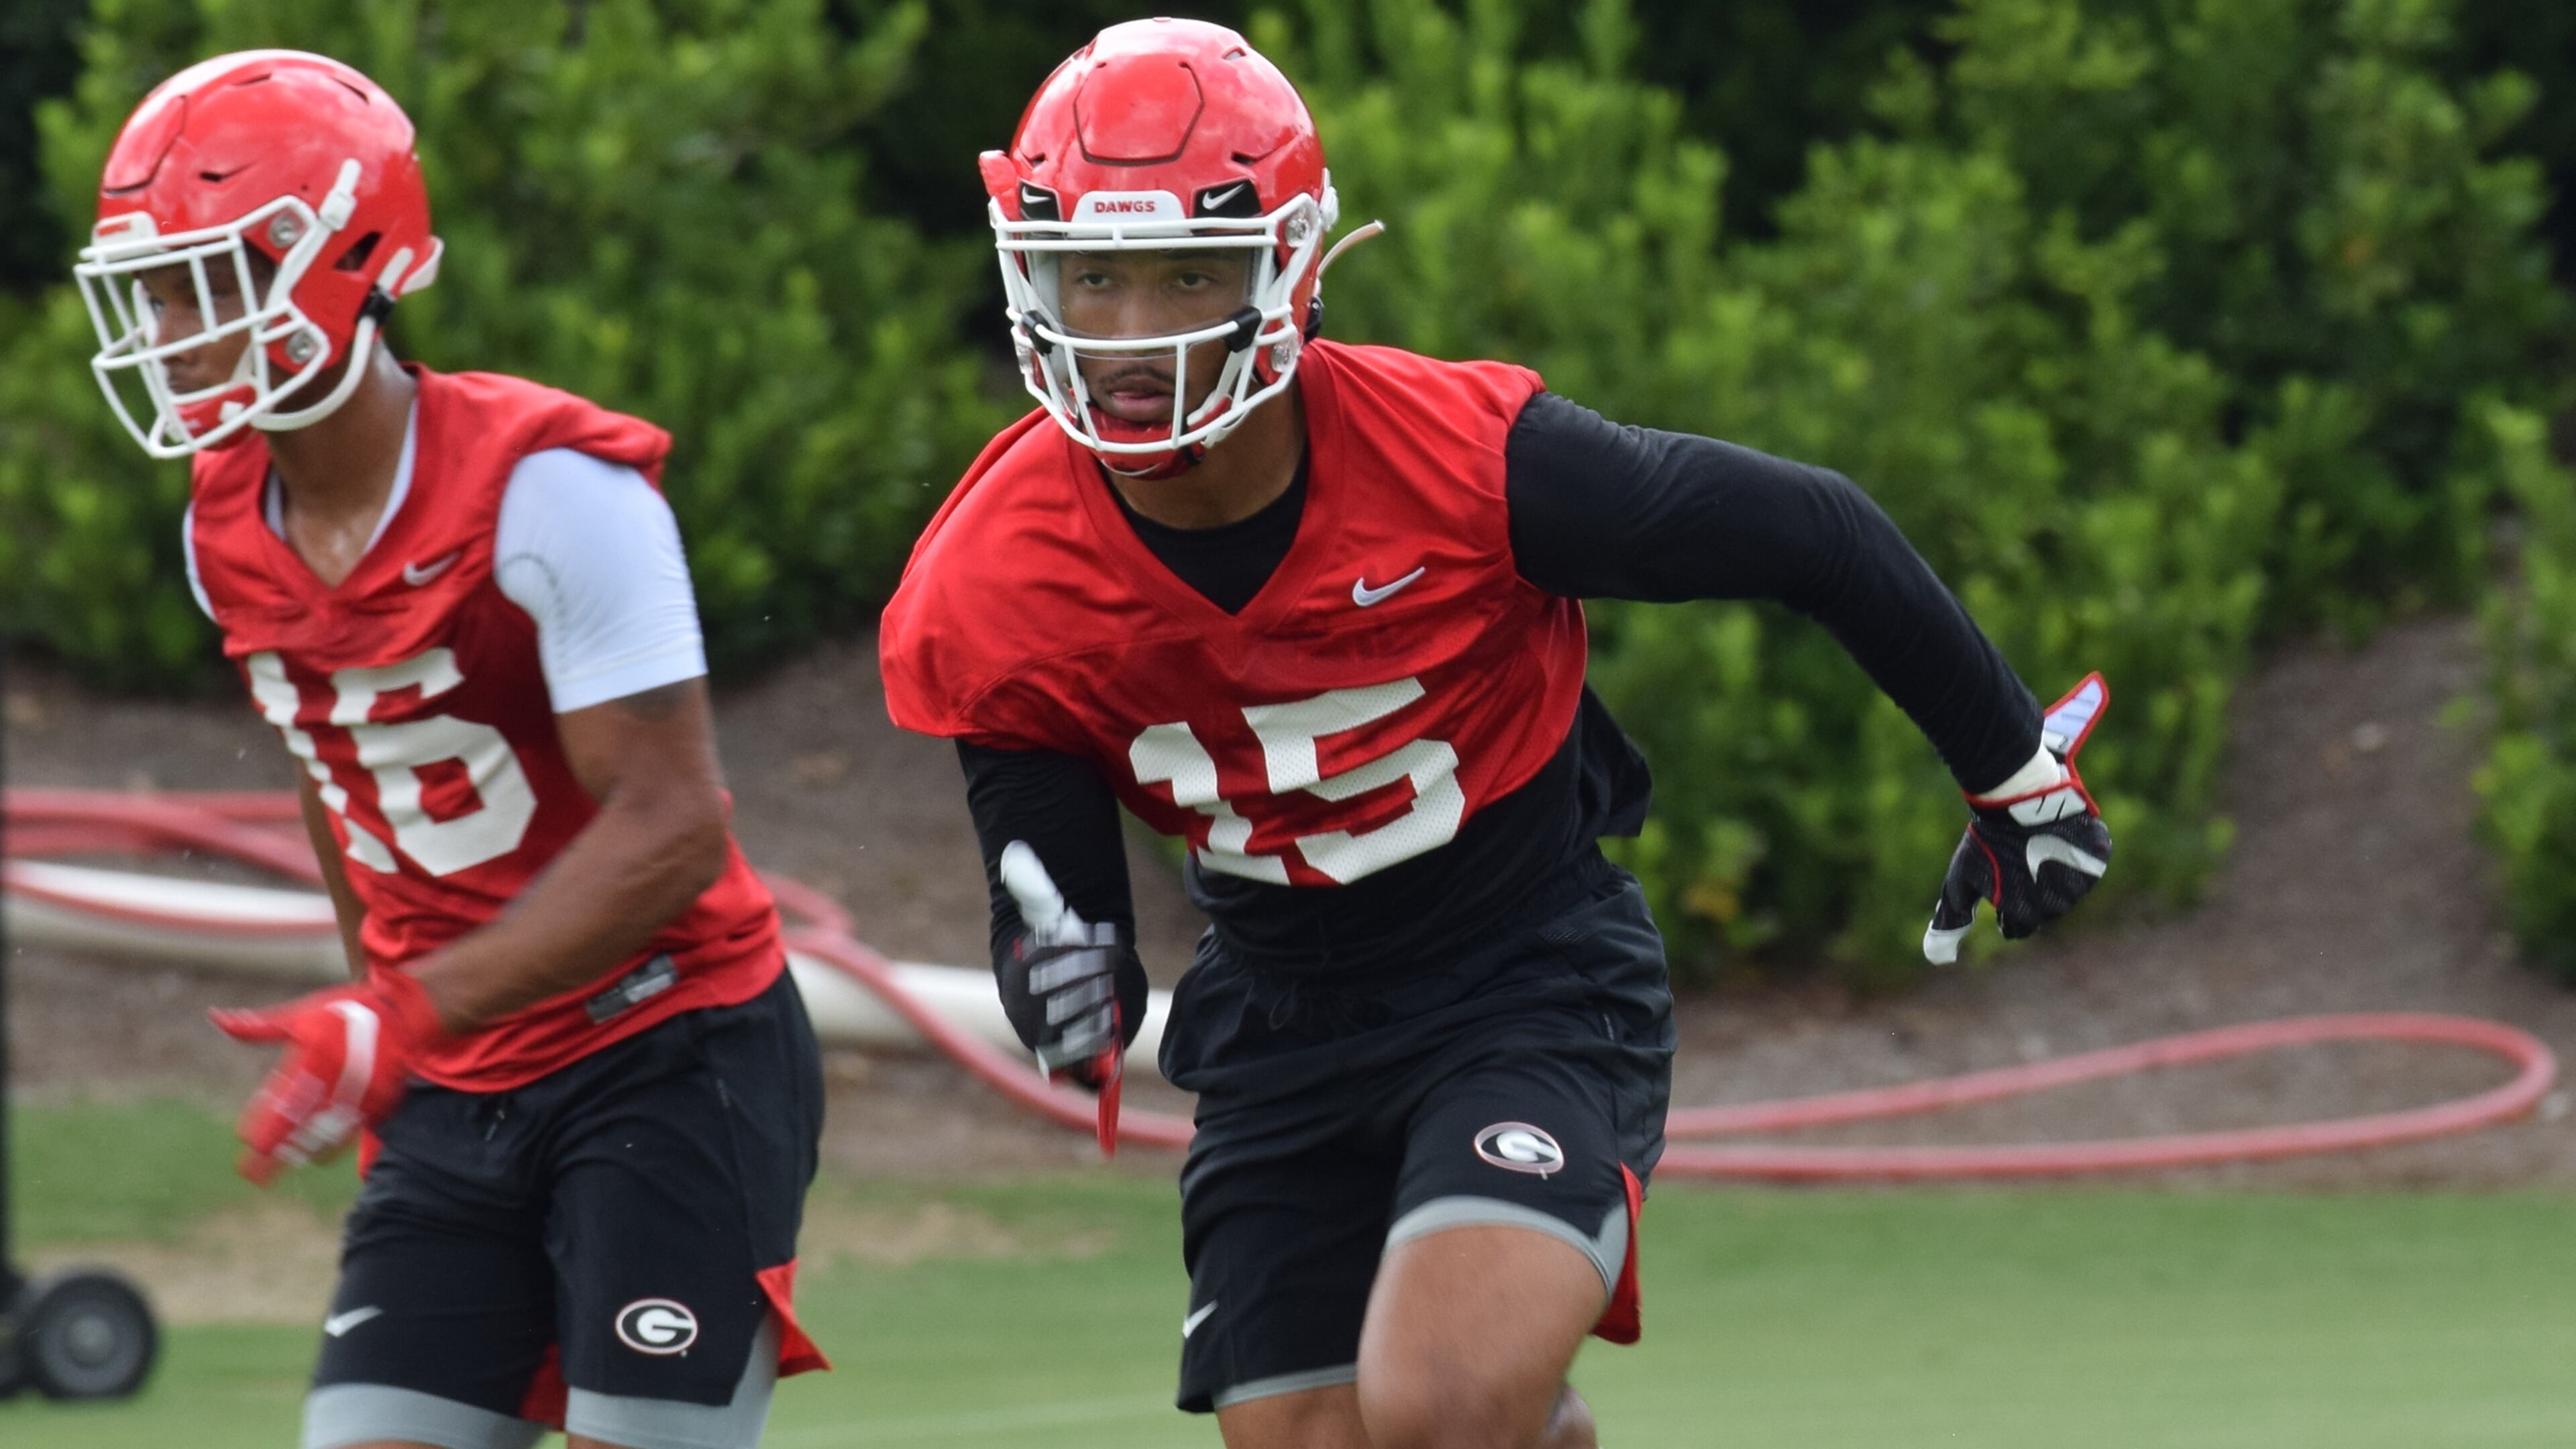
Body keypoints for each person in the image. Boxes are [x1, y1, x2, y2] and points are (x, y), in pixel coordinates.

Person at [877, 18, 2115, 1449]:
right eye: (1093, 278)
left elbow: (1816, 533)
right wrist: (1059, 967)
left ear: (1289, 269)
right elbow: (1049, 878)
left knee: (1445, 1404)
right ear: (1032, 278)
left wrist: (2017, 777)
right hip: (1278, 1021)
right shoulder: (990, 576)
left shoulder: (1466, 462)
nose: (1136, 331)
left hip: (1519, 977)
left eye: (1188, 274)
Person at [73, 50, 826, 1449]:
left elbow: (672, 830)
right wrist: (389, 1017)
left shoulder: (552, 493)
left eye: (213, 277)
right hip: (459, 1074)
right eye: (157, 287)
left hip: (662, 1048)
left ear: (351, 259)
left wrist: (403, 1014)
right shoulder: (218, 524)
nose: (175, 326)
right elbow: (335, 773)